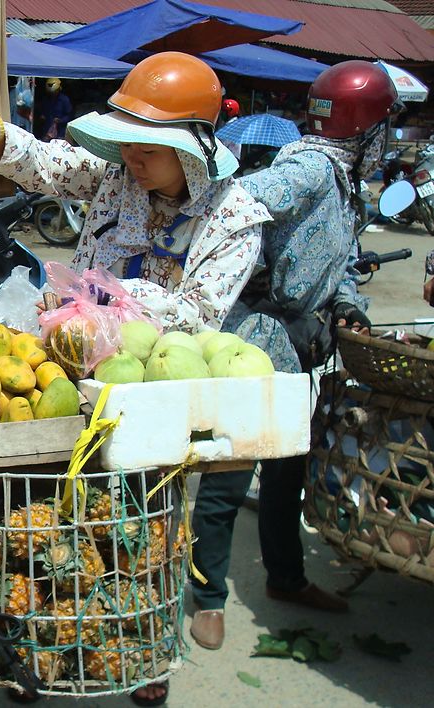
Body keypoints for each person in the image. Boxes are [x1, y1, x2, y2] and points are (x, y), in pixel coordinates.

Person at [0, 52, 271, 706]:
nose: (131, 155)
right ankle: (33, 652)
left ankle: (142, 653)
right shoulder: (119, 176)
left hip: (145, 401)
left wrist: (105, 299)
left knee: (137, 535)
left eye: (150, 144)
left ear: (195, 150)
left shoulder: (236, 219)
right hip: (64, 381)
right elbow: (53, 166)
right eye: (127, 140)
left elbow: (200, 311)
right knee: (39, 526)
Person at [189, 60, 399, 652]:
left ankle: (285, 579)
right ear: (367, 126)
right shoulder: (308, 167)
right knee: (231, 476)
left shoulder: (342, 178)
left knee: (287, 473)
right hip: (258, 342)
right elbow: (234, 202)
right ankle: (207, 599)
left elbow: (342, 261)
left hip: (302, 347)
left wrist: (349, 302)